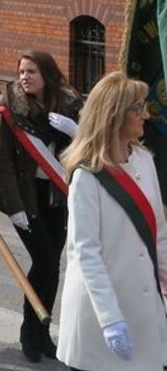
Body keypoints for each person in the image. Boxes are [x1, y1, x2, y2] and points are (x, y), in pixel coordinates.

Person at [56, 71, 167, 371]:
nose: (145, 114)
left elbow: (160, 235)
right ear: (115, 115)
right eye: (137, 108)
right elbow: (85, 253)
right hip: (100, 316)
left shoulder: (145, 160)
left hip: (144, 309)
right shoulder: (88, 176)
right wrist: (111, 319)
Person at [0, 51, 82, 362]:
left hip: (57, 196)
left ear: (47, 74)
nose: (24, 77)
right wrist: (14, 206)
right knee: (43, 260)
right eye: (21, 72)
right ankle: (29, 330)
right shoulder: (12, 108)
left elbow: (87, 151)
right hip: (26, 197)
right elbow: (4, 162)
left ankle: (43, 335)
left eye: (31, 71)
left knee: (51, 264)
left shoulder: (70, 105)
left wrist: (76, 132)